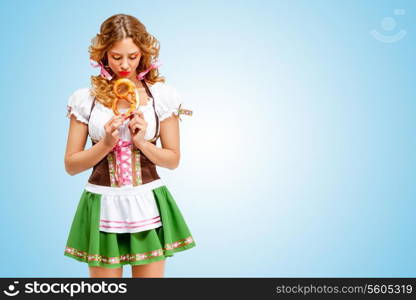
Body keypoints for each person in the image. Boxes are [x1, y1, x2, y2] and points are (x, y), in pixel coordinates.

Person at [63, 14, 196, 278]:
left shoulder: (161, 97)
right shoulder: (86, 99)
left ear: (144, 54)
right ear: (104, 55)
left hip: (147, 200)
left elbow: (172, 160)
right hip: (103, 203)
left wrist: (141, 142)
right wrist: (106, 143)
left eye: (132, 57)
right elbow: (71, 165)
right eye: (116, 57)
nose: (125, 65)